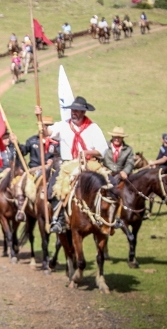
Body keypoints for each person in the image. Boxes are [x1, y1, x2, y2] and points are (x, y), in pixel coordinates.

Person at [35, 96, 109, 233]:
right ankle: (59, 220)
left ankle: (109, 217)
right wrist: (39, 118)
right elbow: (47, 132)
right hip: (68, 165)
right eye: (73, 110)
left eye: (77, 110)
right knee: (53, 188)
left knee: (108, 185)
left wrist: (87, 151)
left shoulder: (93, 127)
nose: (74, 112)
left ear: (83, 112)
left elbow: (102, 150)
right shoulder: (63, 125)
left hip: (89, 163)